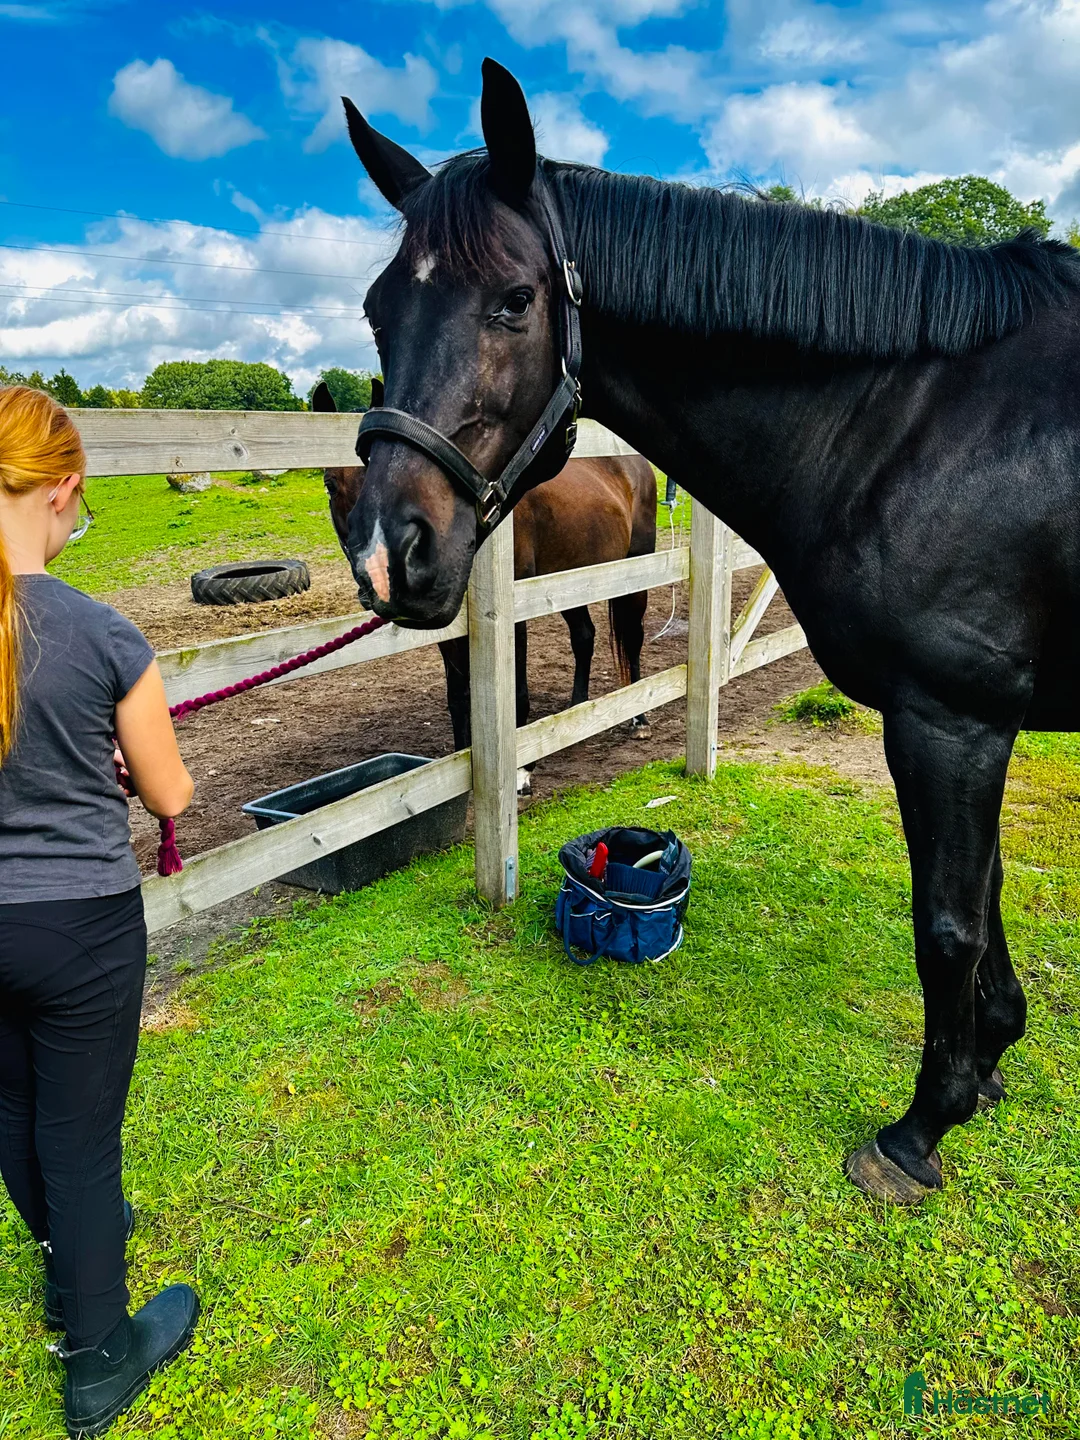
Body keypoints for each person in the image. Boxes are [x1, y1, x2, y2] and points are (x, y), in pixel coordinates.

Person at [0, 386, 199, 1438]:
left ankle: (65, 1262)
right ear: (63, 490)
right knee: (81, 1143)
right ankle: (97, 1356)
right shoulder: (101, 633)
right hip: (77, 922)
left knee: (12, 1113)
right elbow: (171, 796)